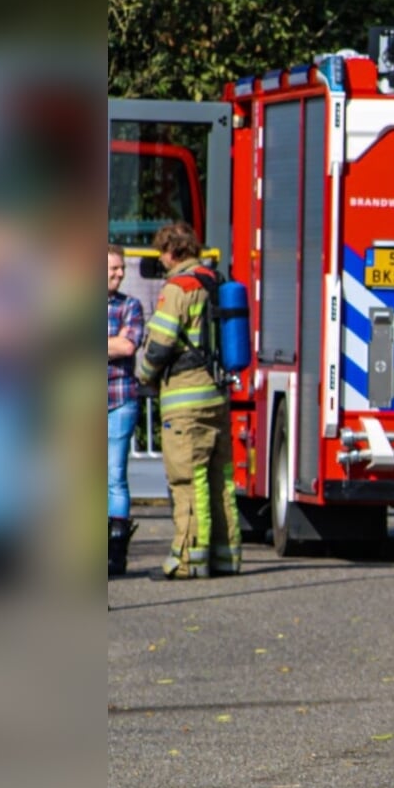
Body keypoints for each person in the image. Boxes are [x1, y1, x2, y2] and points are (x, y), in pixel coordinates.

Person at [134, 223, 240, 579]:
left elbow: (161, 342)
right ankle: (227, 557)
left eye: (162, 253)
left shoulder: (178, 288)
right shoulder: (215, 281)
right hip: (216, 396)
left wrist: (144, 374)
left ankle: (188, 560)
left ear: (171, 251)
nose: (161, 261)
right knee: (219, 479)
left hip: (184, 399)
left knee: (187, 478)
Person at [107, 243, 146, 577]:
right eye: (113, 269)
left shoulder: (130, 306)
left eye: (121, 269)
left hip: (119, 398)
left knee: (114, 476)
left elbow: (127, 345)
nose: (120, 274)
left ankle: (115, 554)